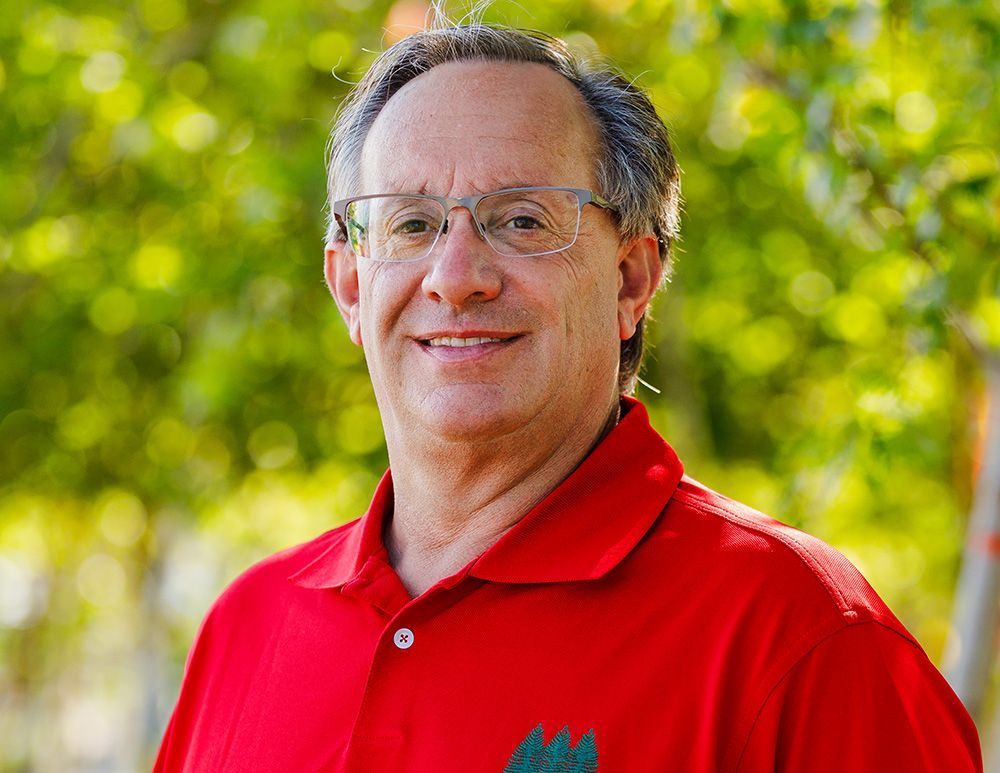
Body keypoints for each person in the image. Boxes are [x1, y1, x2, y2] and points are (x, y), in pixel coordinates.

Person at [155, 21, 982, 772]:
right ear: (348, 287)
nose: (457, 278)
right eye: (411, 224)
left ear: (631, 279)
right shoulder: (247, 629)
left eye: (522, 220)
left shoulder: (799, 637)